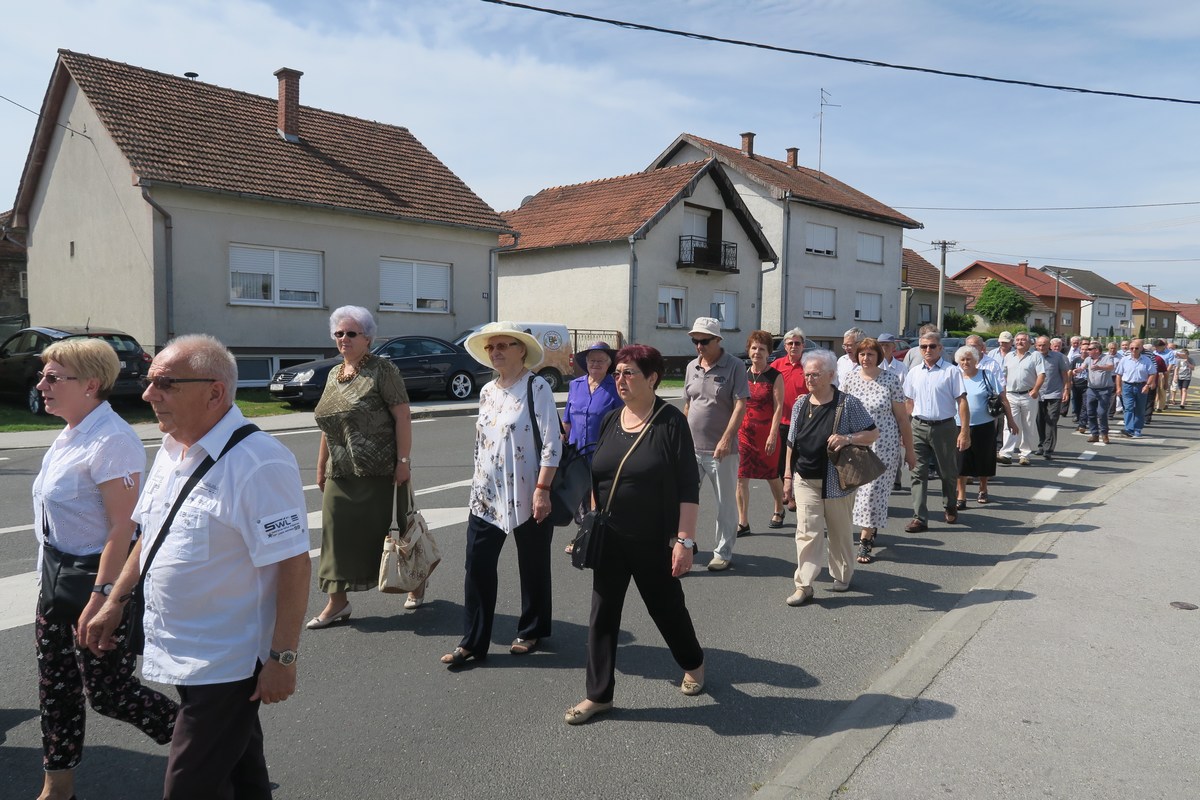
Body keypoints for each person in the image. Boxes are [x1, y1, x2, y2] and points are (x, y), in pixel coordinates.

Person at [87, 334, 311, 800]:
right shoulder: (172, 449)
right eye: (149, 382)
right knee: (244, 774)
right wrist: (115, 600)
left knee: (188, 788)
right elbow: (151, 535)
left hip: (227, 662)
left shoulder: (260, 462)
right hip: (181, 648)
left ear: (215, 393)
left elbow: (293, 564)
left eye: (165, 384)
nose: (149, 395)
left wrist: (283, 658)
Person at [31, 339, 178, 800]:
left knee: (110, 692)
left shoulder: (112, 440)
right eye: (43, 376)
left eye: (53, 377)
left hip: (99, 583)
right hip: (57, 580)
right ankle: (57, 788)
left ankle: (209, 746)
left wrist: (103, 595)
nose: (41, 385)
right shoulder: (71, 432)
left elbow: (124, 527)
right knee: (56, 689)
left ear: (91, 384)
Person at [564, 345, 705, 725]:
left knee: (666, 609)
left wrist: (684, 541)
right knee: (602, 615)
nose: (620, 380)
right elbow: (599, 476)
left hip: (653, 539)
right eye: (618, 373)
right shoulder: (611, 419)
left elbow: (687, 487)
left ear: (653, 378)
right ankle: (598, 695)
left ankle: (693, 663)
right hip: (610, 537)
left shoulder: (670, 422)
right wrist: (591, 524)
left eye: (629, 373)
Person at [441, 322, 560, 667]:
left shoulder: (536, 387)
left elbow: (552, 443)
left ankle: (532, 630)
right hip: (486, 494)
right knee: (477, 565)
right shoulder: (487, 391)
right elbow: (482, 443)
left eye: (503, 345)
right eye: (491, 347)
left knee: (533, 564)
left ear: (521, 350)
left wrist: (543, 490)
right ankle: (472, 643)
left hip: (528, 491)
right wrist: (475, 483)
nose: (496, 352)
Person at [309, 306, 416, 625]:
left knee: (396, 532)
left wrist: (403, 462)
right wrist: (320, 466)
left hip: (381, 471)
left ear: (367, 338)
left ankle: (416, 581)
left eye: (351, 333)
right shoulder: (334, 374)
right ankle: (337, 602)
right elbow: (329, 426)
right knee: (334, 536)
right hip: (340, 471)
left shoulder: (383, 370)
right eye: (339, 333)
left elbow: (403, 416)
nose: (344, 338)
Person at [782, 350, 878, 604]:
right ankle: (804, 585)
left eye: (815, 374)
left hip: (837, 480)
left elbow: (872, 433)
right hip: (805, 478)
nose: (809, 379)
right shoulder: (801, 404)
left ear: (831, 375)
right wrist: (788, 476)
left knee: (840, 531)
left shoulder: (847, 404)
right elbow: (791, 442)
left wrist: (847, 438)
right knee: (807, 532)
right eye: (806, 374)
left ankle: (842, 574)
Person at [683, 317, 748, 571]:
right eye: (695, 341)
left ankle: (723, 552)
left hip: (721, 450)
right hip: (691, 449)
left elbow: (740, 405)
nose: (699, 346)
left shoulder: (734, 366)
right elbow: (688, 404)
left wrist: (726, 438)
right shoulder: (691, 366)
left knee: (725, 505)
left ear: (718, 339)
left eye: (704, 341)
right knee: (684, 501)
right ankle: (684, 544)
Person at [842, 338, 914, 564]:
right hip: (855, 444)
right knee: (856, 492)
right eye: (862, 354)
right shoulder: (850, 379)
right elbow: (840, 412)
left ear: (878, 357)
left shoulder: (890, 379)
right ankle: (870, 527)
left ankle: (865, 539)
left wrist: (910, 451)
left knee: (873, 492)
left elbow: (902, 419)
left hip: (884, 445)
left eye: (870, 354)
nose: (866, 358)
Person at [903, 332, 970, 533]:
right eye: (924, 347)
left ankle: (950, 505)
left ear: (940, 348)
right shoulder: (914, 372)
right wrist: (904, 430)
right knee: (917, 473)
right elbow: (908, 402)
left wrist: (964, 431)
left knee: (947, 472)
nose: (928, 350)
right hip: (918, 426)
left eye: (932, 346)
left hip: (944, 427)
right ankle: (919, 518)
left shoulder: (952, 371)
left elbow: (962, 402)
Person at [562, 341, 622, 555]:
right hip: (577, 454)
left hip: (603, 454)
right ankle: (583, 536)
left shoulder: (615, 387)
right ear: (586, 363)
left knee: (602, 499)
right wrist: (562, 445)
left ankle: (600, 538)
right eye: (592, 360)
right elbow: (567, 420)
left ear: (609, 363)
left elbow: (622, 421)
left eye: (601, 360)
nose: (595, 364)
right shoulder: (575, 385)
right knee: (579, 499)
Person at [953, 346, 1016, 509]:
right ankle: (961, 495)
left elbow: (1003, 398)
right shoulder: (954, 376)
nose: (965, 362)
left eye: (969, 359)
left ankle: (983, 489)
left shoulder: (987, 375)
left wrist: (1010, 420)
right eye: (962, 359)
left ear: (976, 360)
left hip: (984, 424)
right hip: (959, 425)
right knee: (961, 460)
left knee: (984, 458)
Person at [736, 330, 785, 534]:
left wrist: (773, 434)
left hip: (766, 434)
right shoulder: (742, 374)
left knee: (771, 475)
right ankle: (743, 522)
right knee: (741, 477)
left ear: (768, 352)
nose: (757, 352)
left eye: (762, 349)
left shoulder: (775, 376)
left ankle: (779, 508)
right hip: (744, 434)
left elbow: (779, 407)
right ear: (749, 350)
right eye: (754, 348)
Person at [770, 327, 809, 507]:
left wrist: (807, 397)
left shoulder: (808, 366)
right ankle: (784, 492)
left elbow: (819, 389)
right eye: (790, 343)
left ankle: (793, 495)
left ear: (803, 346)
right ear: (785, 346)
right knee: (779, 461)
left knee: (796, 460)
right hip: (780, 421)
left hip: (802, 422)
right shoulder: (776, 365)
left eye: (797, 343)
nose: (794, 346)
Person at [998, 332, 1044, 466]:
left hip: (1028, 395)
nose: (1020, 342)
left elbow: (1041, 374)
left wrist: (1036, 389)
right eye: (1017, 340)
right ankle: (1006, 454)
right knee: (1009, 423)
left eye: (1023, 340)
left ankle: (1025, 455)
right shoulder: (1009, 356)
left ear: (1029, 343)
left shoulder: (1035, 356)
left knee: (1028, 425)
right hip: (1011, 395)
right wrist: (1003, 392)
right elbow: (1003, 376)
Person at [1034, 336, 1071, 460]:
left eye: (1044, 345)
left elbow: (1065, 375)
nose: (1041, 347)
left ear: (1049, 345)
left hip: (1054, 393)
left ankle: (1048, 448)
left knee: (1051, 420)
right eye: (1039, 345)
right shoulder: (1033, 357)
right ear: (1036, 346)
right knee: (1040, 420)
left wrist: (1066, 390)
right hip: (1038, 394)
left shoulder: (1058, 357)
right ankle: (1041, 444)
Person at [1114, 339, 1156, 438]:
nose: (1134, 350)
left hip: (1141, 386)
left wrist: (1147, 385)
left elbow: (1152, 373)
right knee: (1128, 408)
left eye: (1136, 348)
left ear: (1141, 349)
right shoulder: (1124, 360)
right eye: (1131, 348)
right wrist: (1118, 388)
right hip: (1127, 386)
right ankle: (1129, 429)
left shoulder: (1146, 360)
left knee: (1140, 409)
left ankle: (1137, 429)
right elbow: (1119, 374)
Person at [1081, 342, 1117, 444]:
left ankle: (1104, 434)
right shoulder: (1088, 359)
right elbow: (1083, 367)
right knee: (1090, 412)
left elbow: (1111, 367)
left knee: (1101, 413)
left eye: (1089, 349)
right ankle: (1094, 434)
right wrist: (1077, 370)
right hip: (1091, 389)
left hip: (1104, 389)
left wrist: (1099, 367)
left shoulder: (1107, 358)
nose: (1087, 351)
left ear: (1096, 350)